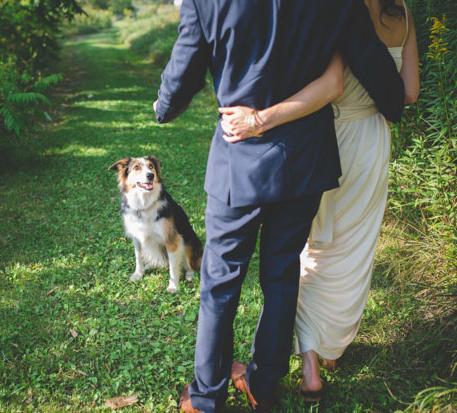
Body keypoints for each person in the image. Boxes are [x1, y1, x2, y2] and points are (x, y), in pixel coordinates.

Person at [153, 1, 405, 412]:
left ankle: (205, 399)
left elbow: (185, 70)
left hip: (240, 161)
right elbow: (368, 57)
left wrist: (163, 107)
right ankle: (263, 384)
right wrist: (394, 101)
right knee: (282, 274)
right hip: (305, 160)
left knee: (220, 284)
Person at [217, 0, 419, 403]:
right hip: (372, 141)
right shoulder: (403, 13)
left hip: (326, 136)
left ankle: (310, 363)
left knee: (310, 248)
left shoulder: (339, 7)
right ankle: (329, 351)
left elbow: (327, 84)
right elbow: (409, 93)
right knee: (352, 248)